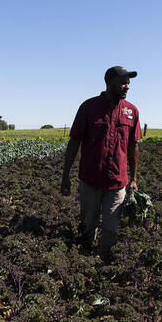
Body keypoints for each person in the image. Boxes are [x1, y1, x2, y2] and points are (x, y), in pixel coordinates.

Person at [61, 66, 142, 261]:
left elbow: (133, 145)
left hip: (117, 182)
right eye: (123, 82)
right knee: (88, 226)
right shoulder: (88, 107)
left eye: (129, 83)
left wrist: (133, 177)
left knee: (112, 229)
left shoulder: (131, 111)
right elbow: (74, 142)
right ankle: (85, 259)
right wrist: (65, 176)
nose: (127, 87)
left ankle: (104, 263)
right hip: (90, 180)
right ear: (109, 82)